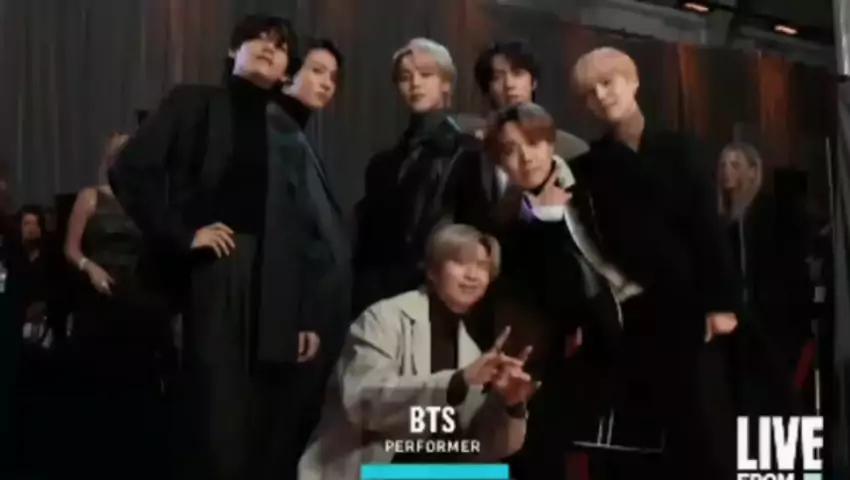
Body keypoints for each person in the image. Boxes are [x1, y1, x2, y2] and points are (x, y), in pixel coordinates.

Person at [109, 14, 349, 479]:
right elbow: (129, 169)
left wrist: (303, 314)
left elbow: (300, 228)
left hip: (277, 278)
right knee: (215, 416)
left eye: (280, 46)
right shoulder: (193, 102)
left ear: (286, 71)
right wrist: (182, 233)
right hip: (215, 268)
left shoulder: (286, 130)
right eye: (257, 39)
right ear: (232, 52)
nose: (268, 47)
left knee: (266, 421)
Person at [565, 47, 740, 479]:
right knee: (644, 440)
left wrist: (721, 304)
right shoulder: (588, 168)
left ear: (634, 81)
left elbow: (706, 229)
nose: (601, 95)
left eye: (608, 83)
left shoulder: (681, 148)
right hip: (635, 312)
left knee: (703, 433)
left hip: (692, 307)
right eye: (590, 92)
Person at [299, 223, 536, 479]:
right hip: (368, 469)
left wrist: (510, 406)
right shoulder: (384, 319)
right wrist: (456, 383)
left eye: (482, 266)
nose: (472, 275)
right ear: (432, 271)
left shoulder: (471, 351)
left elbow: (480, 447)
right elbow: (362, 404)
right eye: (460, 262)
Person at [353, 38, 496, 315]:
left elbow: (479, 231)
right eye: (405, 77)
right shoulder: (384, 162)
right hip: (378, 300)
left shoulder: (469, 153)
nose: (415, 83)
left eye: (426, 74)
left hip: (438, 295)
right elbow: (367, 242)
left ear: (446, 84)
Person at [62, 133, 174, 477]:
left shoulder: (146, 202)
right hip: (100, 299)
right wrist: (90, 267)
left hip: (139, 299)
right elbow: (70, 249)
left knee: (138, 384)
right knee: (101, 382)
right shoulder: (90, 197)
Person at [276, 36, 351, 458]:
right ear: (288, 72)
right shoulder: (277, 134)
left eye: (333, 78)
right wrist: (299, 315)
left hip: (316, 316)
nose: (326, 84)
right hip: (300, 320)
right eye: (317, 71)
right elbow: (285, 234)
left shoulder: (294, 134)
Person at [717, 142, 808, 414]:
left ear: (753, 171)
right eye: (723, 165)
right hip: (738, 330)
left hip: (771, 328)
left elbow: (790, 272)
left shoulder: (773, 214)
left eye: (735, 164)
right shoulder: (724, 223)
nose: (726, 171)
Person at [457, 41, 588, 196]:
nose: (509, 84)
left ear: (534, 82)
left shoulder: (572, 149)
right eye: (497, 77)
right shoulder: (467, 144)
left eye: (518, 73)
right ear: (487, 88)